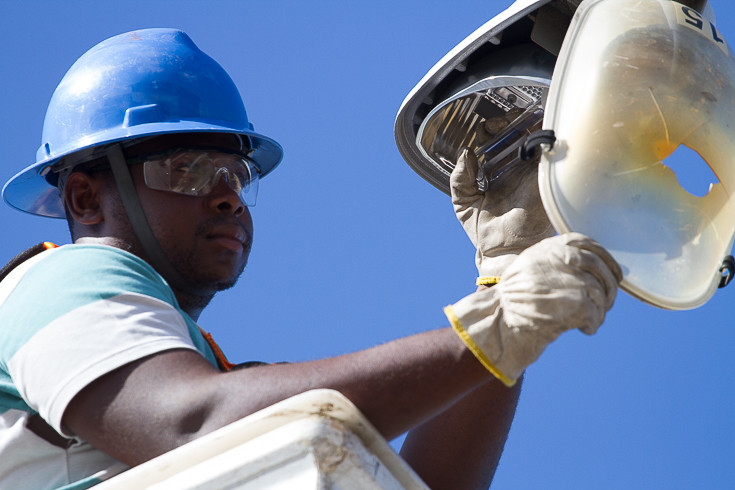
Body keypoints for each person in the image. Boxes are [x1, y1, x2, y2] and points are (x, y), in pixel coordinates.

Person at [0, 28, 620, 490]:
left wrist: (500, 285)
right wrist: (493, 330)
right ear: (85, 197)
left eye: (236, 175)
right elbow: (187, 423)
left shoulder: (220, 381)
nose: (226, 198)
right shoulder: (58, 281)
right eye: (186, 169)